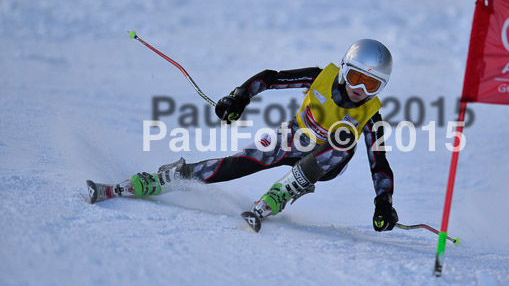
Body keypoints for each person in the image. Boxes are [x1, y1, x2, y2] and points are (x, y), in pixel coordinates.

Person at [97, 39, 398, 232]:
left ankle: (288, 189)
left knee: (345, 140)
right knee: (240, 162)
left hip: (326, 162)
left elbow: (379, 162)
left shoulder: (371, 115)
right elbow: (270, 78)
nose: (361, 89)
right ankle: (167, 178)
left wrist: (383, 201)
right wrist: (238, 98)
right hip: (293, 138)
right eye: (357, 77)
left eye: (372, 85)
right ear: (344, 69)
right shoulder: (320, 76)